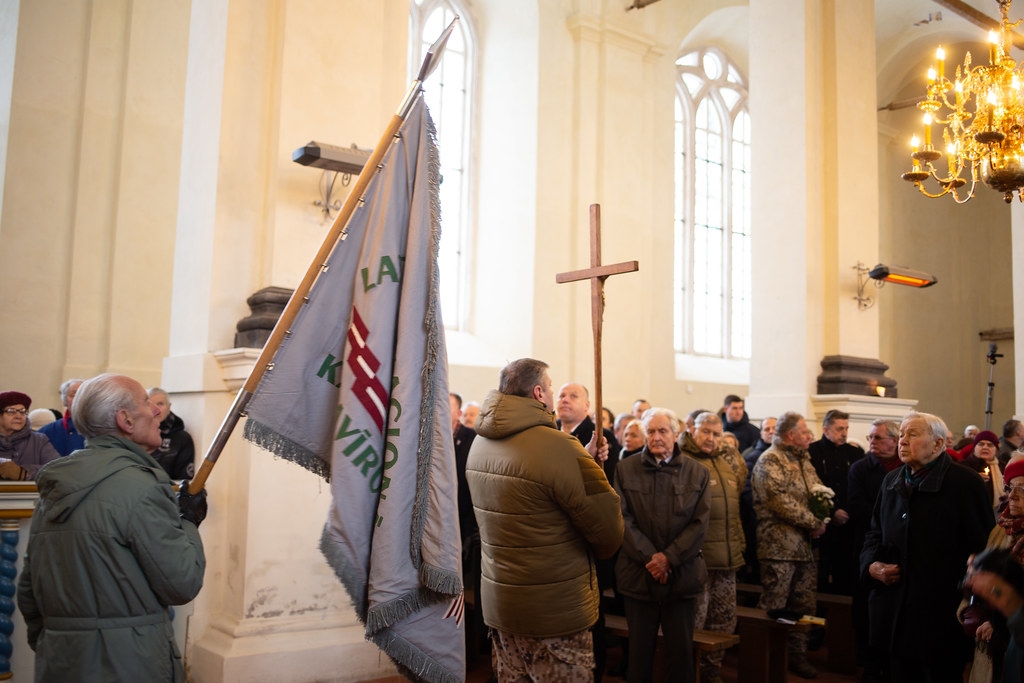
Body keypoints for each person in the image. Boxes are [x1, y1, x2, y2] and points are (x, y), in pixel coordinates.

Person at [17, 373, 208, 682]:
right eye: (147, 403)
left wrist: (59, 641)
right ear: (126, 421)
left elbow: (29, 591)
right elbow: (181, 583)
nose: (158, 411)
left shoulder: (59, 485)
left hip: (60, 661)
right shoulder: (141, 486)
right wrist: (189, 522)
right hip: (128, 663)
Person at [466, 358, 623, 683]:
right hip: (553, 613)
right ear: (538, 392)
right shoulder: (559, 447)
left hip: (501, 607)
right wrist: (586, 467)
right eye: (551, 387)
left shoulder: (479, 444)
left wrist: (583, 462)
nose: (553, 393)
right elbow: (609, 534)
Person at [861, 411, 993, 682]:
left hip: (940, 617)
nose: (903, 441)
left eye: (912, 434)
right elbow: (873, 534)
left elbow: (982, 550)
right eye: (901, 435)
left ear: (938, 444)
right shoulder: (892, 481)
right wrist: (872, 566)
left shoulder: (965, 484)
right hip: (894, 612)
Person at [614, 407, 710, 683]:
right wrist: (652, 559)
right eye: (651, 431)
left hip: (681, 577)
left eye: (663, 431)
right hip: (638, 575)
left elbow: (699, 524)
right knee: (639, 656)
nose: (656, 437)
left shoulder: (697, 473)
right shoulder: (625, 469)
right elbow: (622, 519)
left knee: (680, 656)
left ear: (676, 434)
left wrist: (669, 558)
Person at [751, 411, 827, 679]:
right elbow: (777, 500)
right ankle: (766, 658)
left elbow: (819, 491)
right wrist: (812, 522)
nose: (809, 436)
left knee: (803, 606)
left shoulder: (804, 459)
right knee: (775, 606)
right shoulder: (770, 460)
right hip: (779, 548)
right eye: (804, 431)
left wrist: (823, 515)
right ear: (790, 435)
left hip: (806, 548)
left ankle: (797, 655)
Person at [681, 411, 745, 683]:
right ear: (691, 429)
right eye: (705, 431)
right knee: (695, 622)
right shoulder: (682, 462)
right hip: (699, 559)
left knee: (723, 622)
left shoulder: (725, 462)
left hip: (727, 558)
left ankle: (711, 671)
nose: (711, 438)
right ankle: (689, 673)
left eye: (716, 434)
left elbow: (734, 511)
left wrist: (739, 546)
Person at [847, 418, 901, 682]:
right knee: (866, 608)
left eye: (877, 438)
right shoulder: (860, 469)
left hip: (899, 549)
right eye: (870, 438)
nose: (872, 443)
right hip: (869, 545)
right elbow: (859, 507)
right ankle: (869, 662)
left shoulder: (905, 467)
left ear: (894, 439)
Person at [961, 458, 1024, 682]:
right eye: (1010, 487)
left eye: (1023, 488)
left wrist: (997, 621)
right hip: (988, 643)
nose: (1013, 496)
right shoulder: (1001, 530)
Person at [808, 409, 864, 595]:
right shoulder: (812, 452)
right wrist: (832, 513)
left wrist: (846, 511)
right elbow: (812, 487)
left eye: (846, 428)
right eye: (840, 429)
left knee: (846, 575)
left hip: (848, 523)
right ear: (826, 430)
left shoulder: (855, 454)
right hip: (823, 524)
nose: (844, 433)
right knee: (821, 575)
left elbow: (858, 487)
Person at [739, 416, 775, 585]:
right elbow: (747, 490)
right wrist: (760, 512)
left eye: (774, 428)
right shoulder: (754, 457)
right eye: (767, 429)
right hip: (758, 521)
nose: (771, 432)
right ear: (761, 433)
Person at [0, 391, 60, 480]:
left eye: (22, 411)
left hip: (29, 493)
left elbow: (58, 469)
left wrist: (25, 472)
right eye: (11, 411)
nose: (18, 416)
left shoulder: (39, 440)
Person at [147, 388, 196, 480]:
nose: (156, 410)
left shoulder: (182, 439)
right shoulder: (136, 434)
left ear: (169, 407)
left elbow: (184, 480)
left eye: (160, 404)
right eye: (151, 405)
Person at [38, 378, 85, 456]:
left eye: (83, 394)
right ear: (64, 401)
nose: (79, 398)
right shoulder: (47, 432)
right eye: (74, 395)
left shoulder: (101, 430)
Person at [962, 430, 1005, 513]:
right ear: (974, 447)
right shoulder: (963, 466)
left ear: (997, 449)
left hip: (998, 513)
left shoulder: (1003, 467)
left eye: (990, 445)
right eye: (981, 444)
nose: (985, 447)